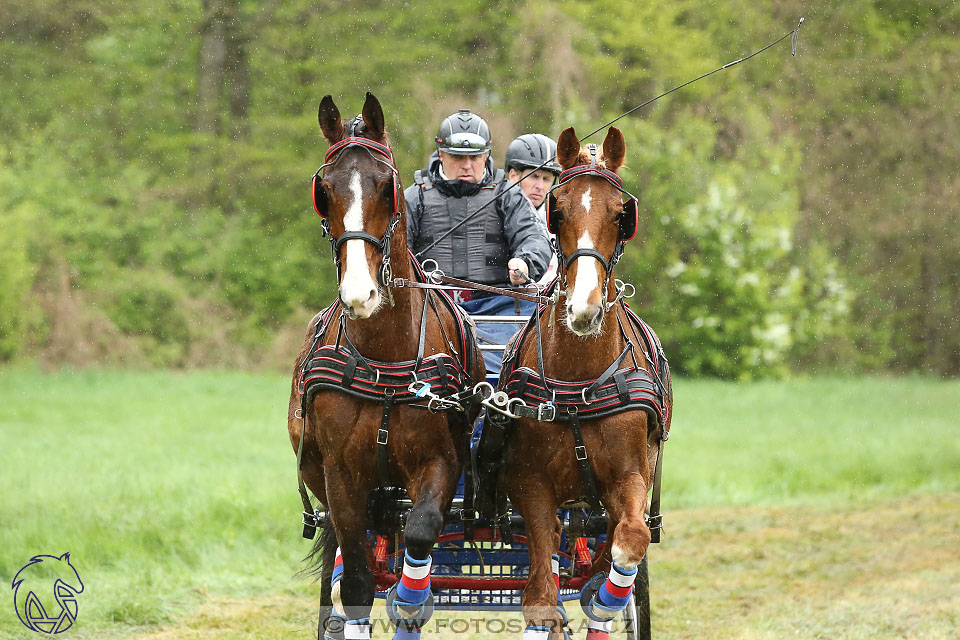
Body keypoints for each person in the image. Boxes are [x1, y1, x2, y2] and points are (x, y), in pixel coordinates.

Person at [405, 110, 552, 374]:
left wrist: (526, 261)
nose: (467, 165)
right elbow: (393, 250)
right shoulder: (415, 198)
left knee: (516, 371)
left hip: (498, 306)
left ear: (487, 155)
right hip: (431, 308)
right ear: (441, 154)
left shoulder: (508, 194)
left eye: (475, 157)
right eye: (458, 158)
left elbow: (534, 236)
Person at [503, 133, 562, 285]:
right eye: (534, 176)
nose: (540, 187)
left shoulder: (559, 223)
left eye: (546, 179)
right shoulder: (494, 216)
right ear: (513, 176)